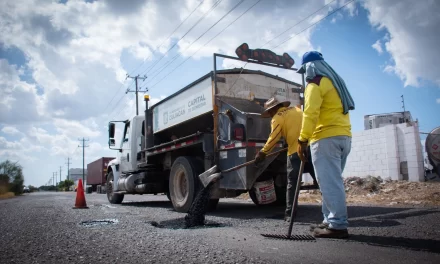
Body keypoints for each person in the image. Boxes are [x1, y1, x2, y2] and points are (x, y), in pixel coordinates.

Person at [296, 51, 355, 239]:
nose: (306, 75)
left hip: (325, 138)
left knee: (329, 184)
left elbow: (310, 113)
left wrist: (302, 139)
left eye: (305, 70)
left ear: (309, 68)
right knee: (330, 182)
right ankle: (328, 221)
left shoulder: (316, 83)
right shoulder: (336, 83)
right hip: (344, 137)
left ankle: (337, 225)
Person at [254, 97, 318, 222]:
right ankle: (331, 214)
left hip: (296, 151)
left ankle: (290, 214)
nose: (270, 115)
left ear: (273, 109)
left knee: (292, 183)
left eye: (270, 112)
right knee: (321, 179)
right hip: (313, 147)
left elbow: (274, 137)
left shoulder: (277, 117)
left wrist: (262, 152)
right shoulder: (297, 110)